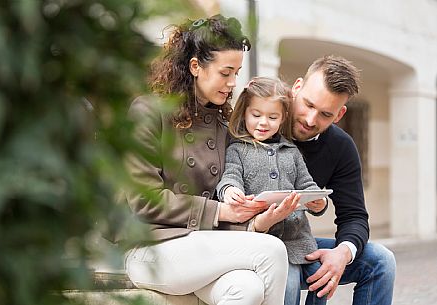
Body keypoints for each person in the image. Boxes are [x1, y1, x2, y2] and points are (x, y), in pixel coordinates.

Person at [123, 14, 298, 305]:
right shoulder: (148, 112)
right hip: (152, 248)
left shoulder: (222, 124)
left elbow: (229, 197)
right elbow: (144, 200)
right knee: (272, 251)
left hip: (202, 248)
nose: (232, 83)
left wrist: (256, 220)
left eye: (237, 73)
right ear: (195, 67)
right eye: (225, 72)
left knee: (247, 288)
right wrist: (221, 212)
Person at [284, 55, 396, 305]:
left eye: (325, 114)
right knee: (285, 275)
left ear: (339, 114)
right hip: (256, 244)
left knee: (381, 261)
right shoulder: (262, 120)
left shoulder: (341, 146)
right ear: (296, 88)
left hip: (298, 243)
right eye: (308, 105)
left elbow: (354, 216)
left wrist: (342, 253)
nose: (311, 120)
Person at [215, 76, 331, 303]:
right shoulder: (238, 150)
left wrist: (318, 202)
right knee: (288, 287)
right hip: (265, 242)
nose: (263, 123)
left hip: (299, 240)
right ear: (245, 112)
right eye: (256, 115)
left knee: (322, 281)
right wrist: (230, 191)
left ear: (283, 118)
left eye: (272, 117)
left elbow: (307, 184)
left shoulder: (291, 152)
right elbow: (230, 176)